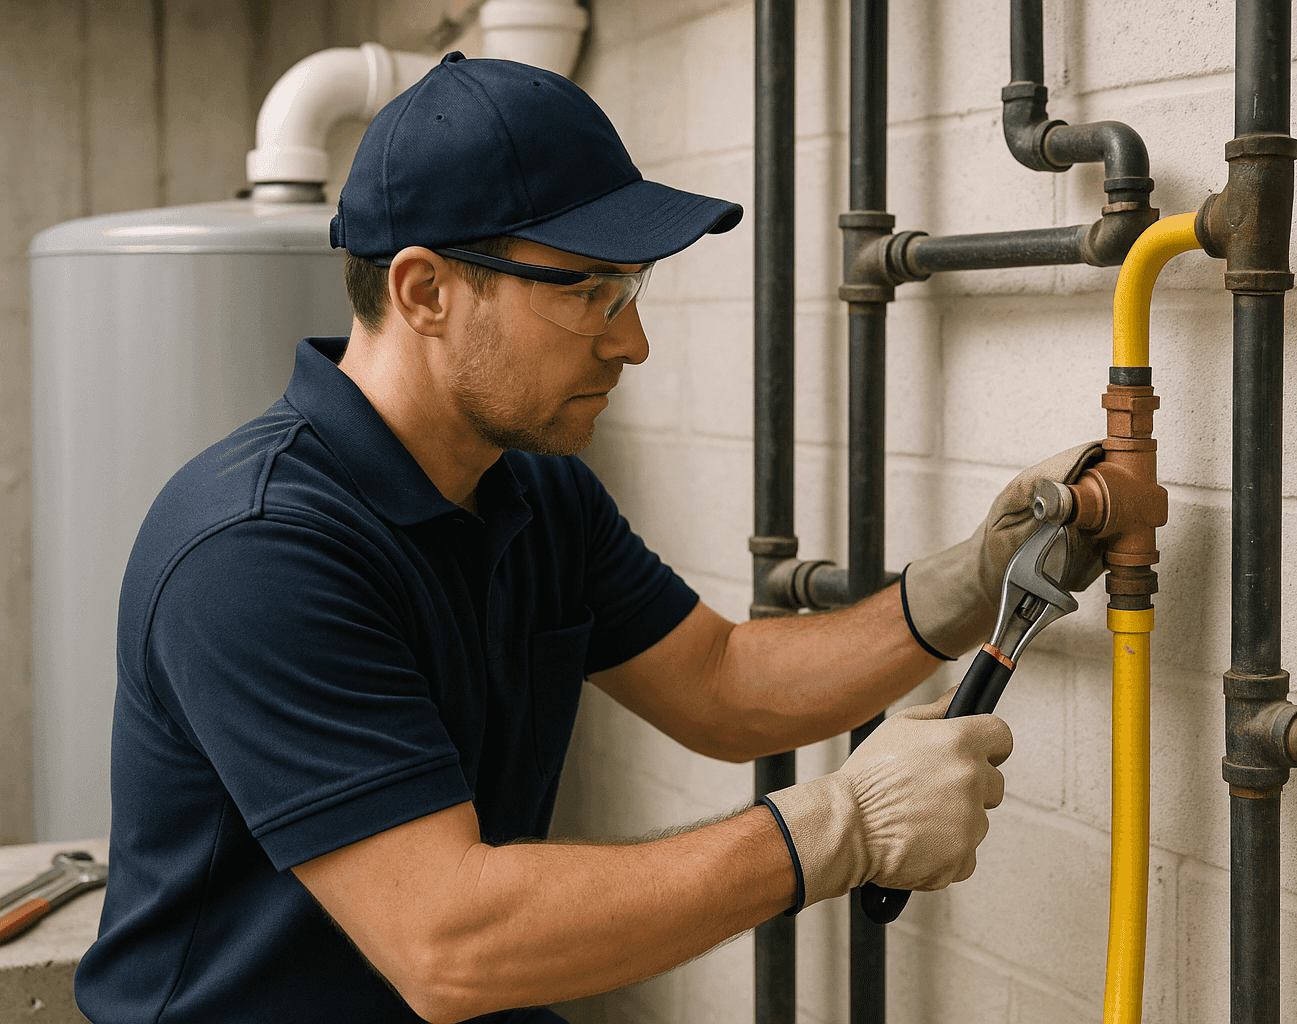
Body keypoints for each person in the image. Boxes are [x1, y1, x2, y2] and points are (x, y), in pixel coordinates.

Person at [74, 54, 1100, 1024]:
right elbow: (449, 941)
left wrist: (970, 583)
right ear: (425, 291)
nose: (632, 341)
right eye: (586, 292)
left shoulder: (532, 490)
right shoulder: (257, 552)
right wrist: (843, 827)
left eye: (631, 288)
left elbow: (723, 680)